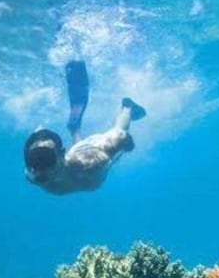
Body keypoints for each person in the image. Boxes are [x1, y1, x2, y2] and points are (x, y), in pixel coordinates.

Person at [24, 61, 147, 195]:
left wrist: (125, 143)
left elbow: (120, 137)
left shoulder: (93, 163)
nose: (41, 166)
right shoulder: (34, 174)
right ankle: (74, 129)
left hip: (93, 154)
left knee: (118, 130)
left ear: (61, 155)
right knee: (78, 152)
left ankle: (128, 107)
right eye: (33, 160)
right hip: (77, 161)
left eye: (45, 157)